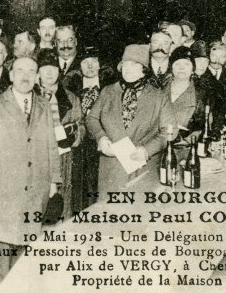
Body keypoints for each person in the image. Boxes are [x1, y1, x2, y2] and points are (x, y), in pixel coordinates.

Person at [0, 57, 61, 288]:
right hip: (4, 187)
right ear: (10, 75)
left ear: (37, 76)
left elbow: (52, 144)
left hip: (36, 186)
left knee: (27, 242)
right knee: (3, 243)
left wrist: (54, 178)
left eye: (31, 71)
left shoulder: (44, 105)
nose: (25, 76)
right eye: (19, 70)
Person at [86, 44, 167, 194]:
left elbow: (168, 131)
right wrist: (101, 138)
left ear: (144, 70)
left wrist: (146, 150)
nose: (128, 69)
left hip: (143, 168)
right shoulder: (108, 91)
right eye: (125, 65)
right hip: (111, 170)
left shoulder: (158, 96)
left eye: (135, 65)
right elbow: (92, 119)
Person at [36, 49, 83, 222]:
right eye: (44, 68)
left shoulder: (71, 98)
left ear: (59, 71)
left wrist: (75, 135)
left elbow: (81, 125)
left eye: (53, 68)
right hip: (37, 158)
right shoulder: (30, 96)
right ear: (37, 71)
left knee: (63, 199)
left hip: (64, 157)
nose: (49, 72)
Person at [64, 46, 113, 210]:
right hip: (78, 147)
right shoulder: (70, 89)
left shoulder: (110, 89)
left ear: (100, 65)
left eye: (94, 62)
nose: (90, 66)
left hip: (103, 144)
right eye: (86, 62)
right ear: (79, 66)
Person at [161, 46, 208, 140]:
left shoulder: (200, 94)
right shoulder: (160, 88)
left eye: (186, 64)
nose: (181, 68)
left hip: (185, 145)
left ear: (193, 69)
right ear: (171, 68)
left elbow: (203, 128)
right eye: (177, 64)